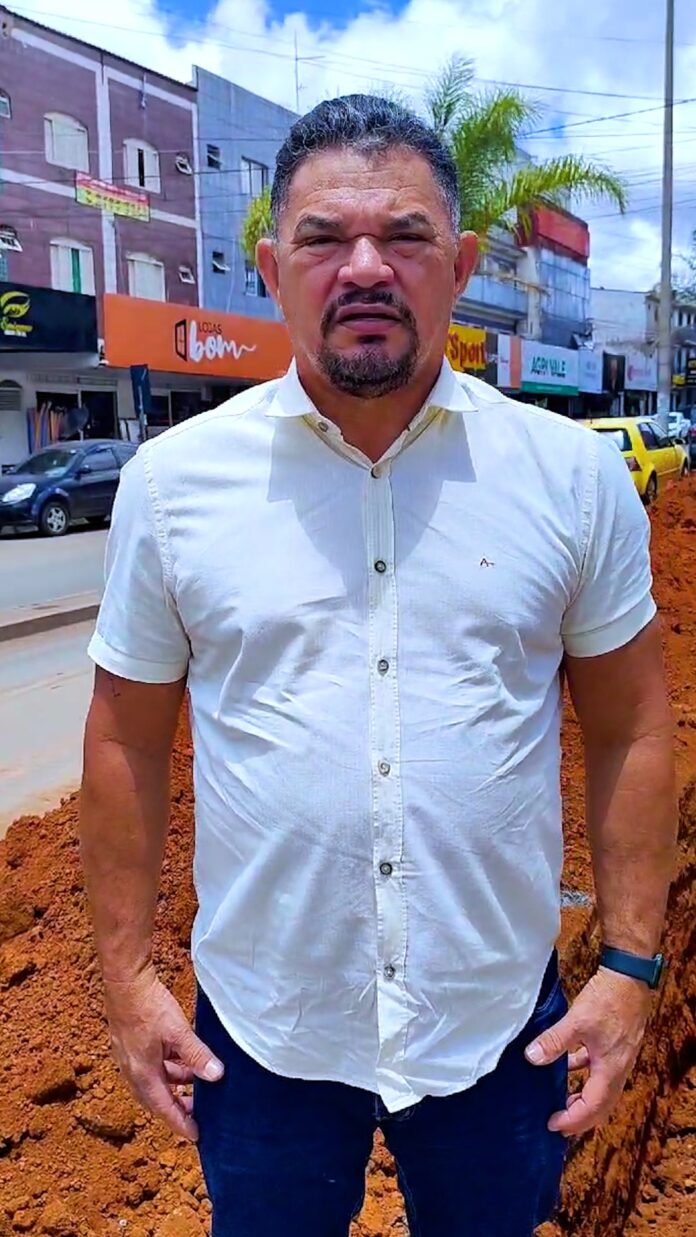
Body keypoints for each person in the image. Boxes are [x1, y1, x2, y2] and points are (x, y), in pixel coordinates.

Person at [80, 95, 677, 1237]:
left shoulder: (570, 477)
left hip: (496, 1029)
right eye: (324, 238)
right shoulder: (173, 484)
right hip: (262, 1034)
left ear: (459, 266)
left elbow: (634, 726)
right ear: (272, 268)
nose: (365, 268)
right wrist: (125, 979)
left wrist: (631, 968)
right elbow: (123, 737)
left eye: (404, 236)